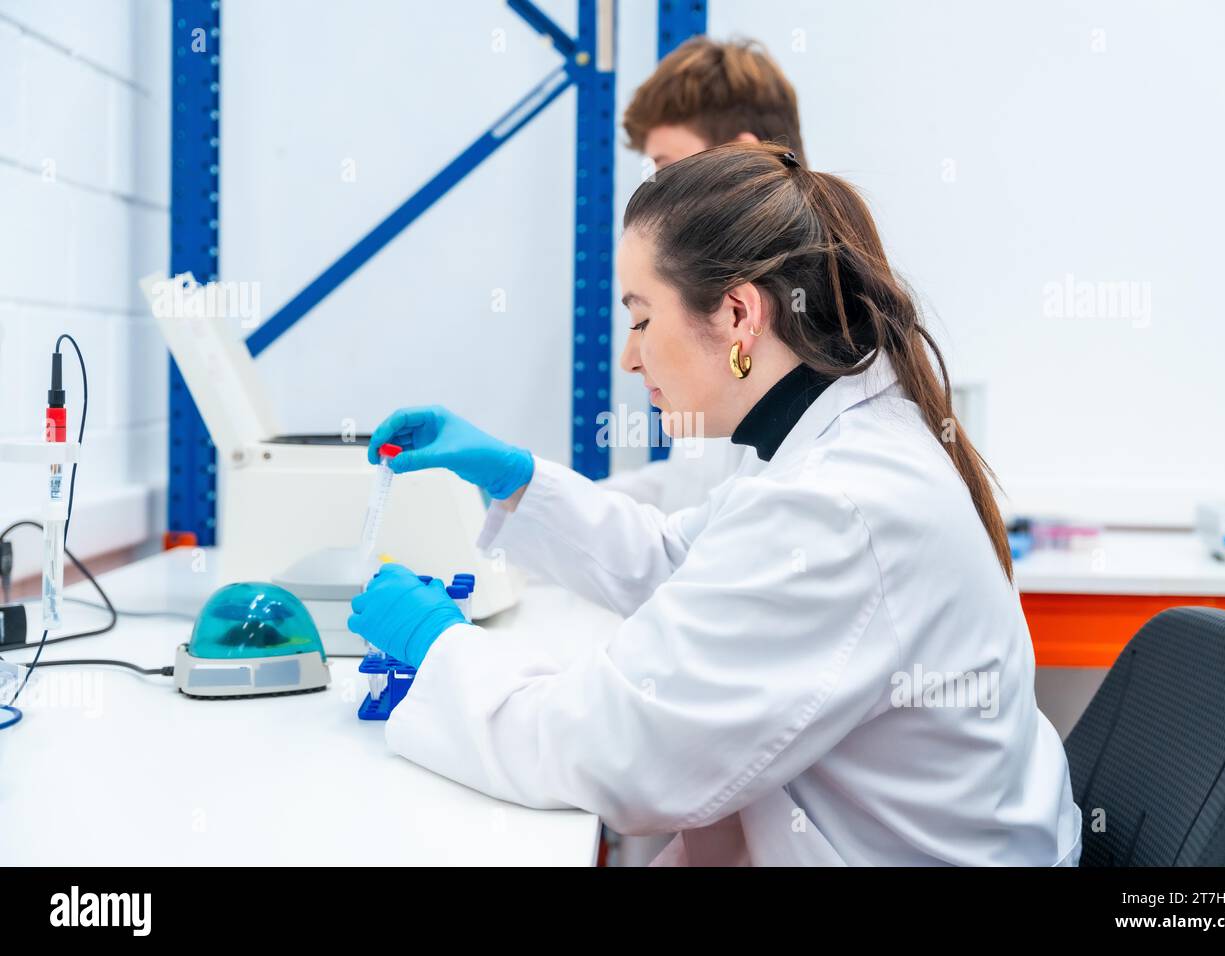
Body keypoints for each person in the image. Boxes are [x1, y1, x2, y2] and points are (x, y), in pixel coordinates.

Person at [349, 143, 1083, 867]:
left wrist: (440, 648)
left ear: (737, 315)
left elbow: (618, 756)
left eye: (641, 319)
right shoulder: (832, 444)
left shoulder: (839, 506)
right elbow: (679, 562)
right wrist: (516, 479)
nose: (630, 357)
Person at [602, 37, 806, 513]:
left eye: (668, 170)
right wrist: (528, 490)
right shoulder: (718, 315)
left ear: (744, 158)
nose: (657, 193)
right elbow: (692, 495)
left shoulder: (802, 330)